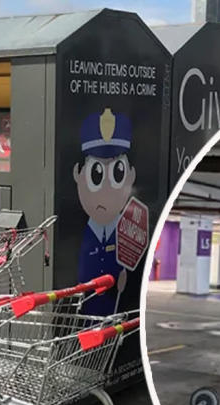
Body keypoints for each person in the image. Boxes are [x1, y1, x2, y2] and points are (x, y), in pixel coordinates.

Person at [74, 108, 136, 315]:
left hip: (112, 304)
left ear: (131, 176)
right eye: (97, 174)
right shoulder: (86, 233)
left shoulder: (124, 231)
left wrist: (122, 276)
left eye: (117, 173)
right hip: (88, 304)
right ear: (79, 175)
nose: (107, 189)